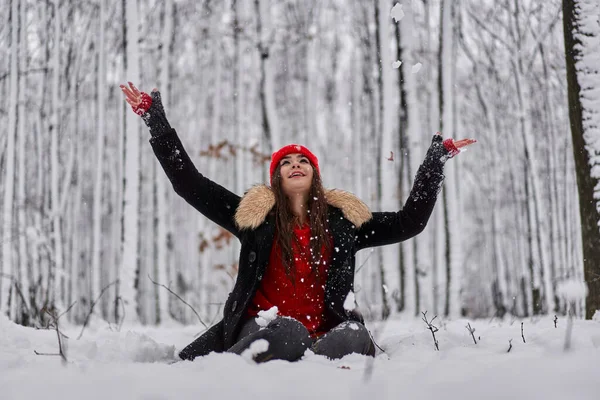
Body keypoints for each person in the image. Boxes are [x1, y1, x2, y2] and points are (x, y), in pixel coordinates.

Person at [120, 82, 475, 363]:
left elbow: (409, 222)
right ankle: (239, 369)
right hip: (263, 330)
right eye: (285, 161)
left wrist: (435, 161)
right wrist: (156, 121)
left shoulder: (343, 223)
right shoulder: (254, 218)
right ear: (276, 177)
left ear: (314, 174)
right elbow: (190, 184)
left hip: (326, 337)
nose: (295, 164)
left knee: (355, 334)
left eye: (303, 160)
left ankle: (312, 373)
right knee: (289, 332)